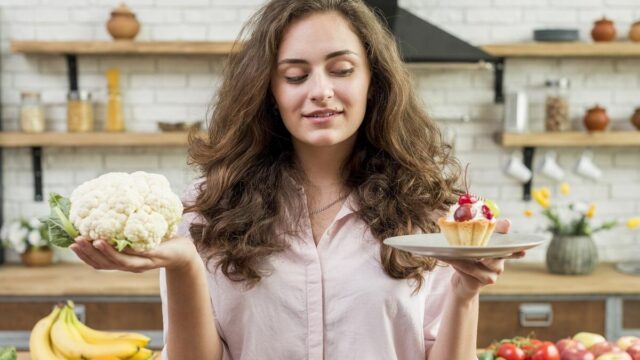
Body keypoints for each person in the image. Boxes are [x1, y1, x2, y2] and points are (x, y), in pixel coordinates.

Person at [70, 0, 522, 359]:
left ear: (373, 82)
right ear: (270, 91)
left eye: (342, 70)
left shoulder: (429, 214)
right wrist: (184, 264)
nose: (320, 90)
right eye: (295, 75)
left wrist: (466, 290)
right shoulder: (210, 209)